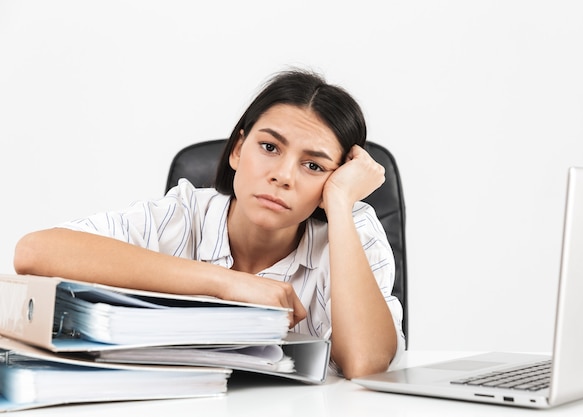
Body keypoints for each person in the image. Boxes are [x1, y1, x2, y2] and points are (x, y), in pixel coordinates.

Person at [13, 69, 405, 379]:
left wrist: (339, 203)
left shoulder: (351, 230)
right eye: (269, 147)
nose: (283, 175)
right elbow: (34, 251)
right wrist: (226, 282)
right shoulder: (184, 214)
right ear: (237, 149)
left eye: (313, 165)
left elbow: (366, 364)